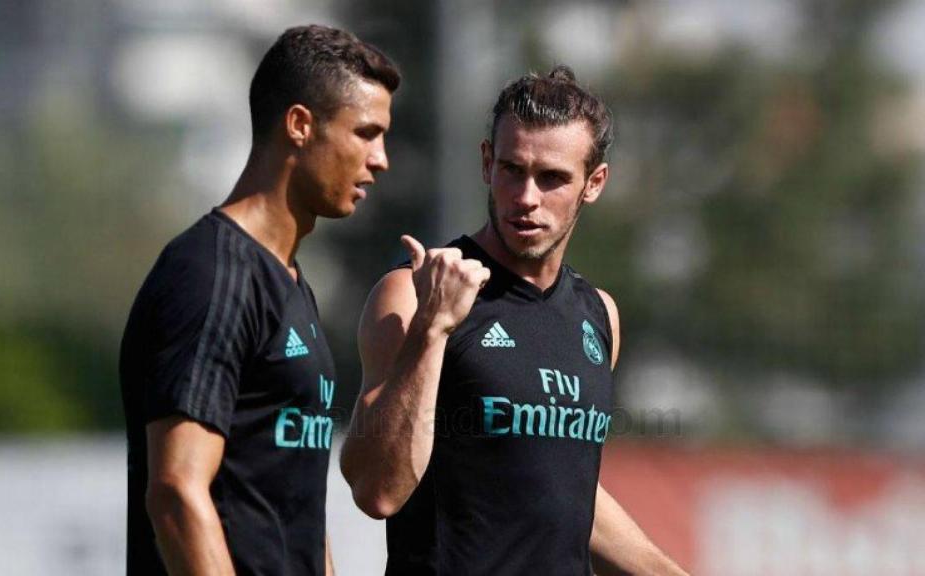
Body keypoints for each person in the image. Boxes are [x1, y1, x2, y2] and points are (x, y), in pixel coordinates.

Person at [341, 66, 687, 575]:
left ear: (594, 183)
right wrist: (432, 328)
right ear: (487, 162)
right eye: (512, 170)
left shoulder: (599, 315)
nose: (526, 198)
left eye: (551, 178)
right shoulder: (415, 292)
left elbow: (558, 488)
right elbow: (377, 490)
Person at [120, 25, 399, 575]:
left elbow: (294, 508)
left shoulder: (291, 282)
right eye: (366, 133)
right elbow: (176, 491)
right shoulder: (211, 272)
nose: (381, 158)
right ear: (299, 126)